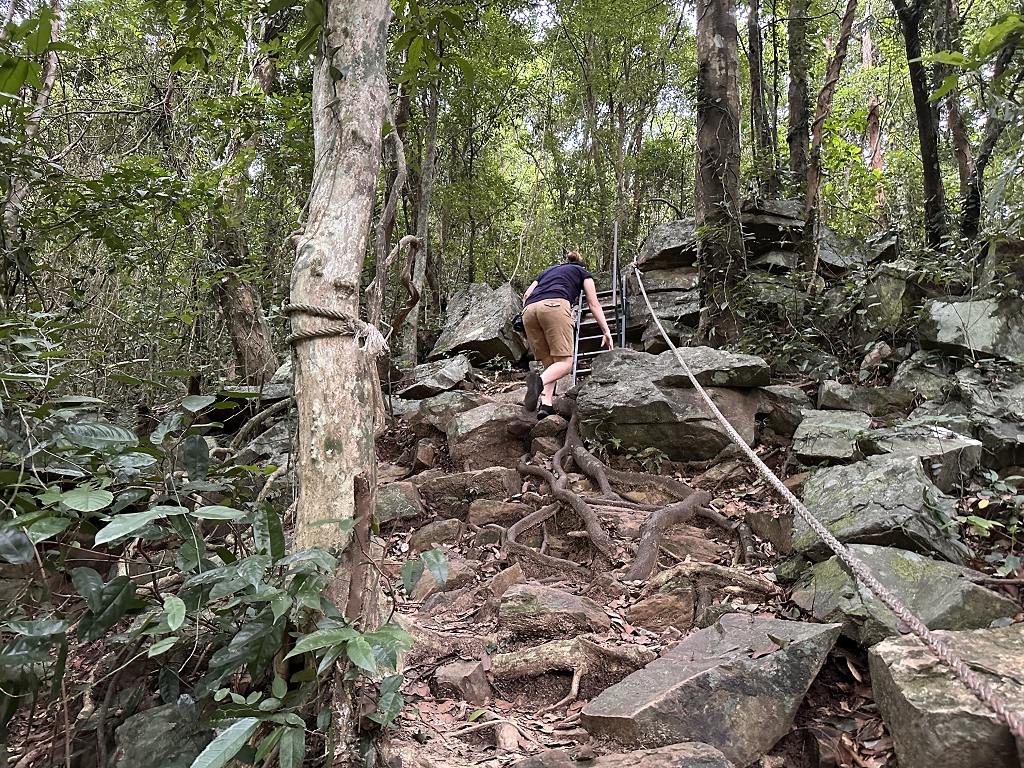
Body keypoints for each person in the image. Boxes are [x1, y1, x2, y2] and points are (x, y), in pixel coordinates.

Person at [521, 251, 613, 419]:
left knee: (551, 363)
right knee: (565, 363)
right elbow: (594, 303)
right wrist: (606, 331)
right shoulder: (582, 272)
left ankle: (546, 405)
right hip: (554, 305)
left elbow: (527, 294)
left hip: (529, 311)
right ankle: (537, 384)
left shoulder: (547, 271)